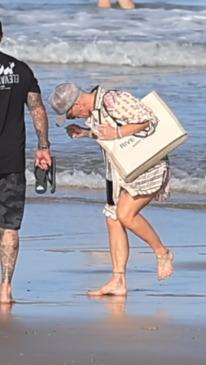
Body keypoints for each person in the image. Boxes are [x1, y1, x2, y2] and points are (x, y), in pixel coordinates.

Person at [49, 82, 174, 296]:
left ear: (77, 104)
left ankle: (162, 253)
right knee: (113, 219)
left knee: (125, 214)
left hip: (148, 165)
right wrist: (86, 133)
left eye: (71, 115)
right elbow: (109, 135)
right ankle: (118, 281)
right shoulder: (94, 111)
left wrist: (115, 132)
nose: (73, 118)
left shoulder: (113, 100)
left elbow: (148, 120)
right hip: (121, 170)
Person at [0, 21, 52, 304]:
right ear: (1, 35)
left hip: (11, 162)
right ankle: (5, 288)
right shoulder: (20, 70)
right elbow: (37, 109)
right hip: (11, 161)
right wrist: (43, 146)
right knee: (9, 226)